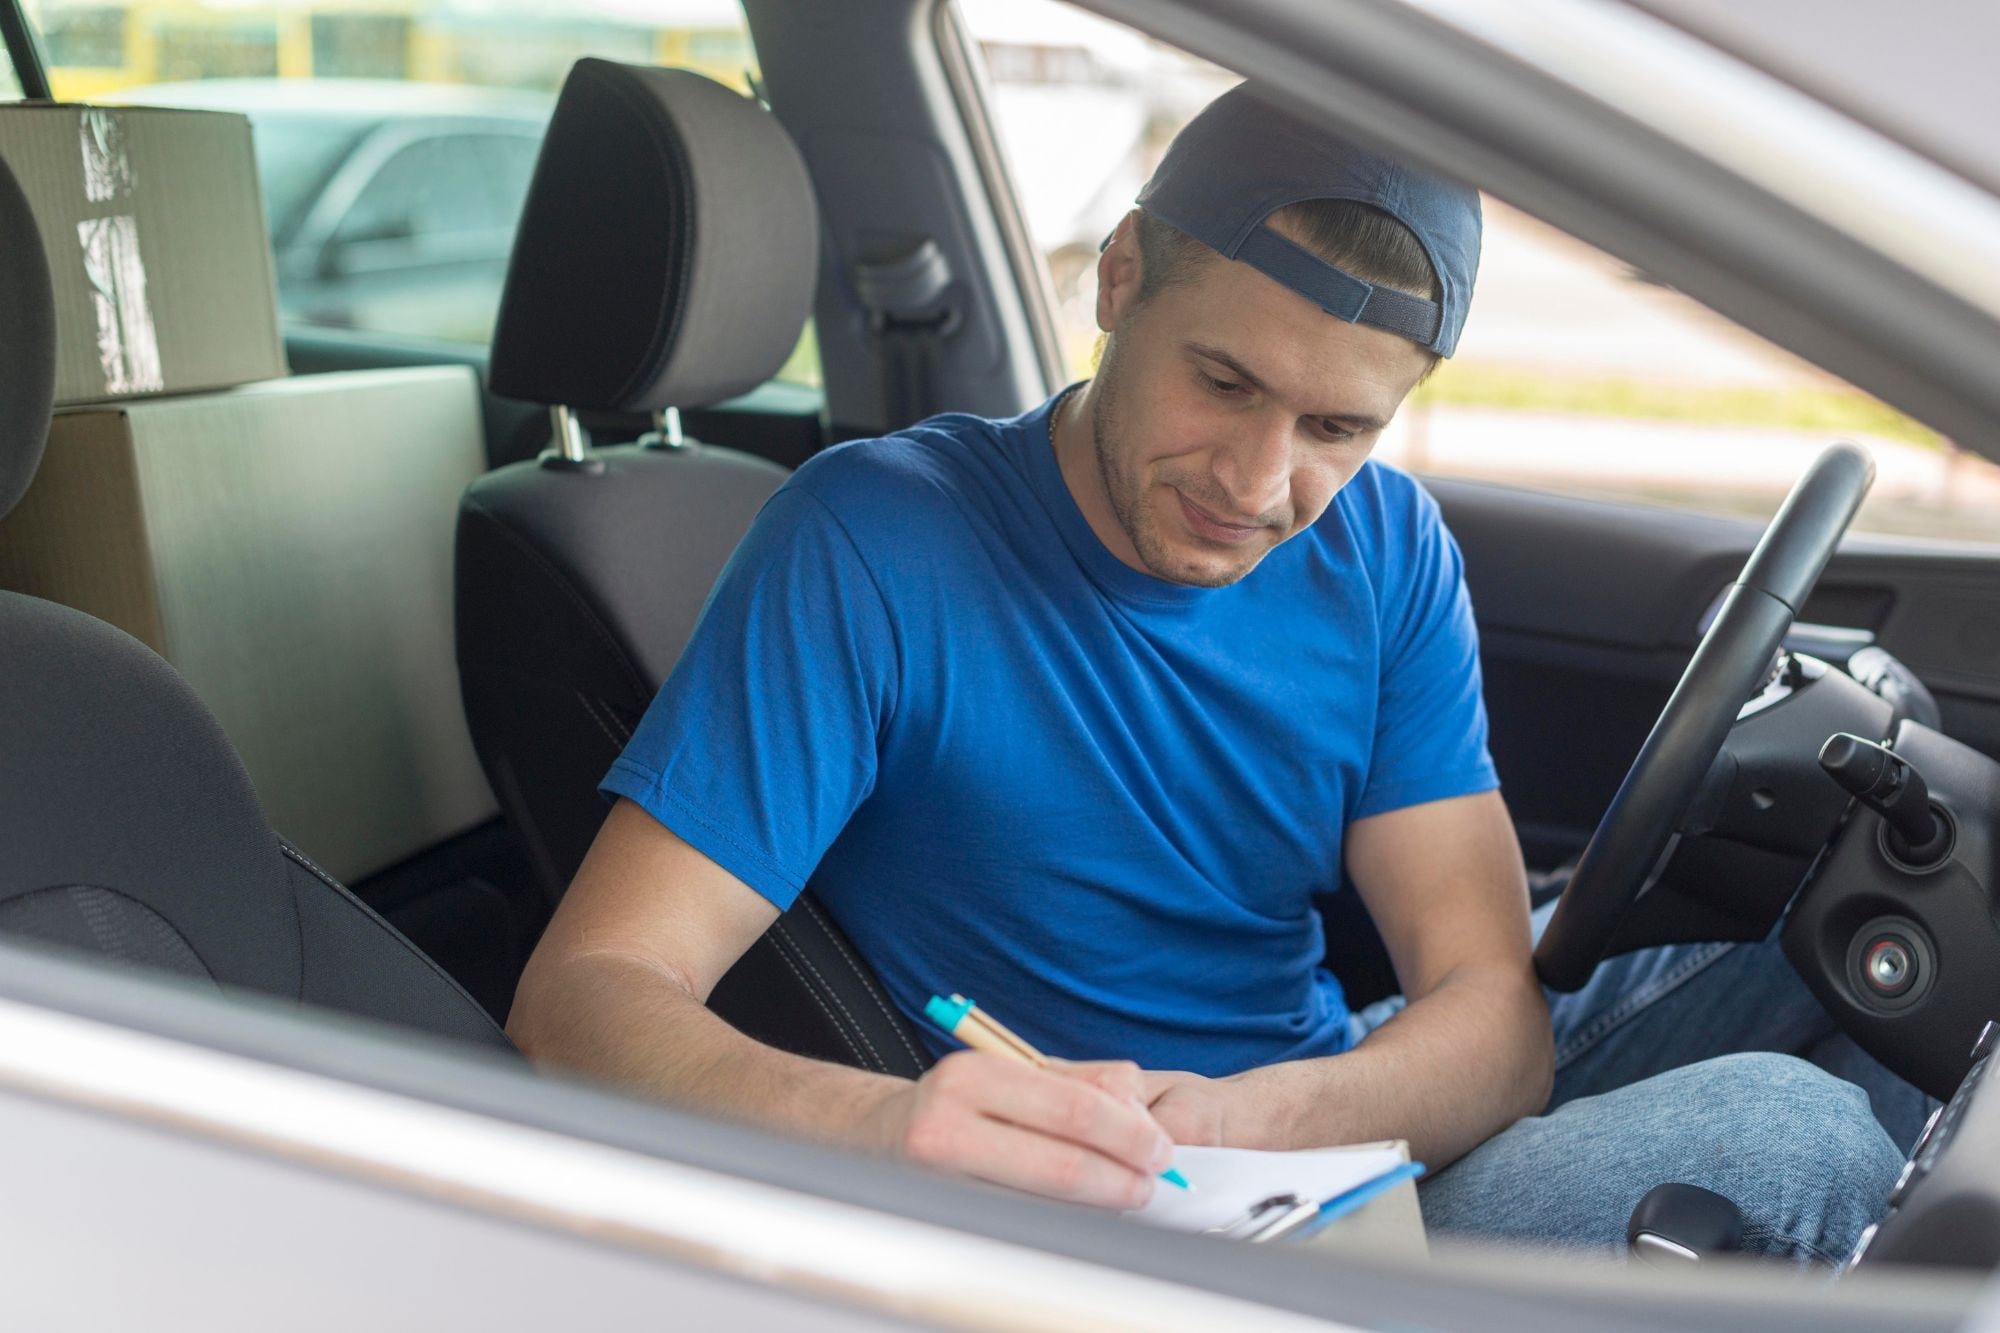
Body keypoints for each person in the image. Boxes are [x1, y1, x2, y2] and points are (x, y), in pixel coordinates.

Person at [507, 85, 1919, 1264]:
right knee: (1796, 1143)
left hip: (1301, 1126)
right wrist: (893, 1130)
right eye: (1225, 383)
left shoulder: (1385, 548)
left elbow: (1490, 1017)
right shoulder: (870, 540)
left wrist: (1262, 1116)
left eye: (1335, 424)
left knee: (1869, 914)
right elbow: (584, 991)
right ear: (1120, 279)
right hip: (1144, 1217)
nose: (1258, 484)